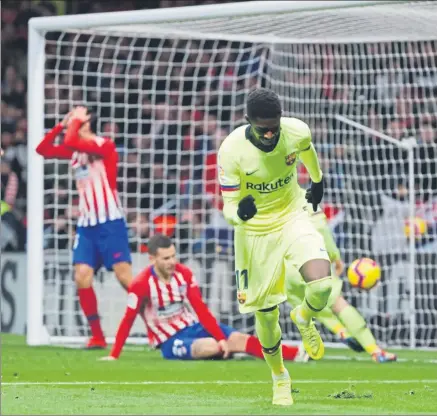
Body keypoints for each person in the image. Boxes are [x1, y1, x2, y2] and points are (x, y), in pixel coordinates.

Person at [217, 88, 334, 405]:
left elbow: (306, 150)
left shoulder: (295, 131)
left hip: (292, 215)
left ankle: (303, 315)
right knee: (266, 317)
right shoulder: (231, 151)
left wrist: (317, 179)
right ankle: (280, 377)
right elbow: (228, 206)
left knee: (322, 285)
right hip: (254, 232)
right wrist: (238, 214)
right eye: (262, 127)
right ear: (248, 122)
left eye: (274, 125)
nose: (270, 133)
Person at [100, 234, 308, 363]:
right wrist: (114, 354)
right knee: (210, 346)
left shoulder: (184, 274)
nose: (172, 261)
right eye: (166, 258)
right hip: (171, 341)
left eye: (173, 256)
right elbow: (128, 319)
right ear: (152, 259)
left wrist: (220, 336)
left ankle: (296, 353)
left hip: (194, 326)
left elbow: (200, 309)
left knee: (240, 339)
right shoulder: (141, 284)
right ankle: (222, 349)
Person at [36, 106, 132, 349]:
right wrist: (61, 123)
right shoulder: (75, 152)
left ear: (87, 124)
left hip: (110, 222)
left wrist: (73, 122)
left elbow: (70, 139)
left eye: (77, 121)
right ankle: (97, 336)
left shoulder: (104, 145)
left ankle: (156, 324)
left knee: (126, 280)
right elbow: (42, 149)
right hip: (86, 226)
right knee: (82, 276)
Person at [287, 188, 397, 363]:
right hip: (308, 259)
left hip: (284, 268)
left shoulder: (273, 198)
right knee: (338, 303)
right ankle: (375, 350)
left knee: (311, 305)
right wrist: (335, 256)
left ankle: (340, 330)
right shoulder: (303, 196)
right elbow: (321, 227)